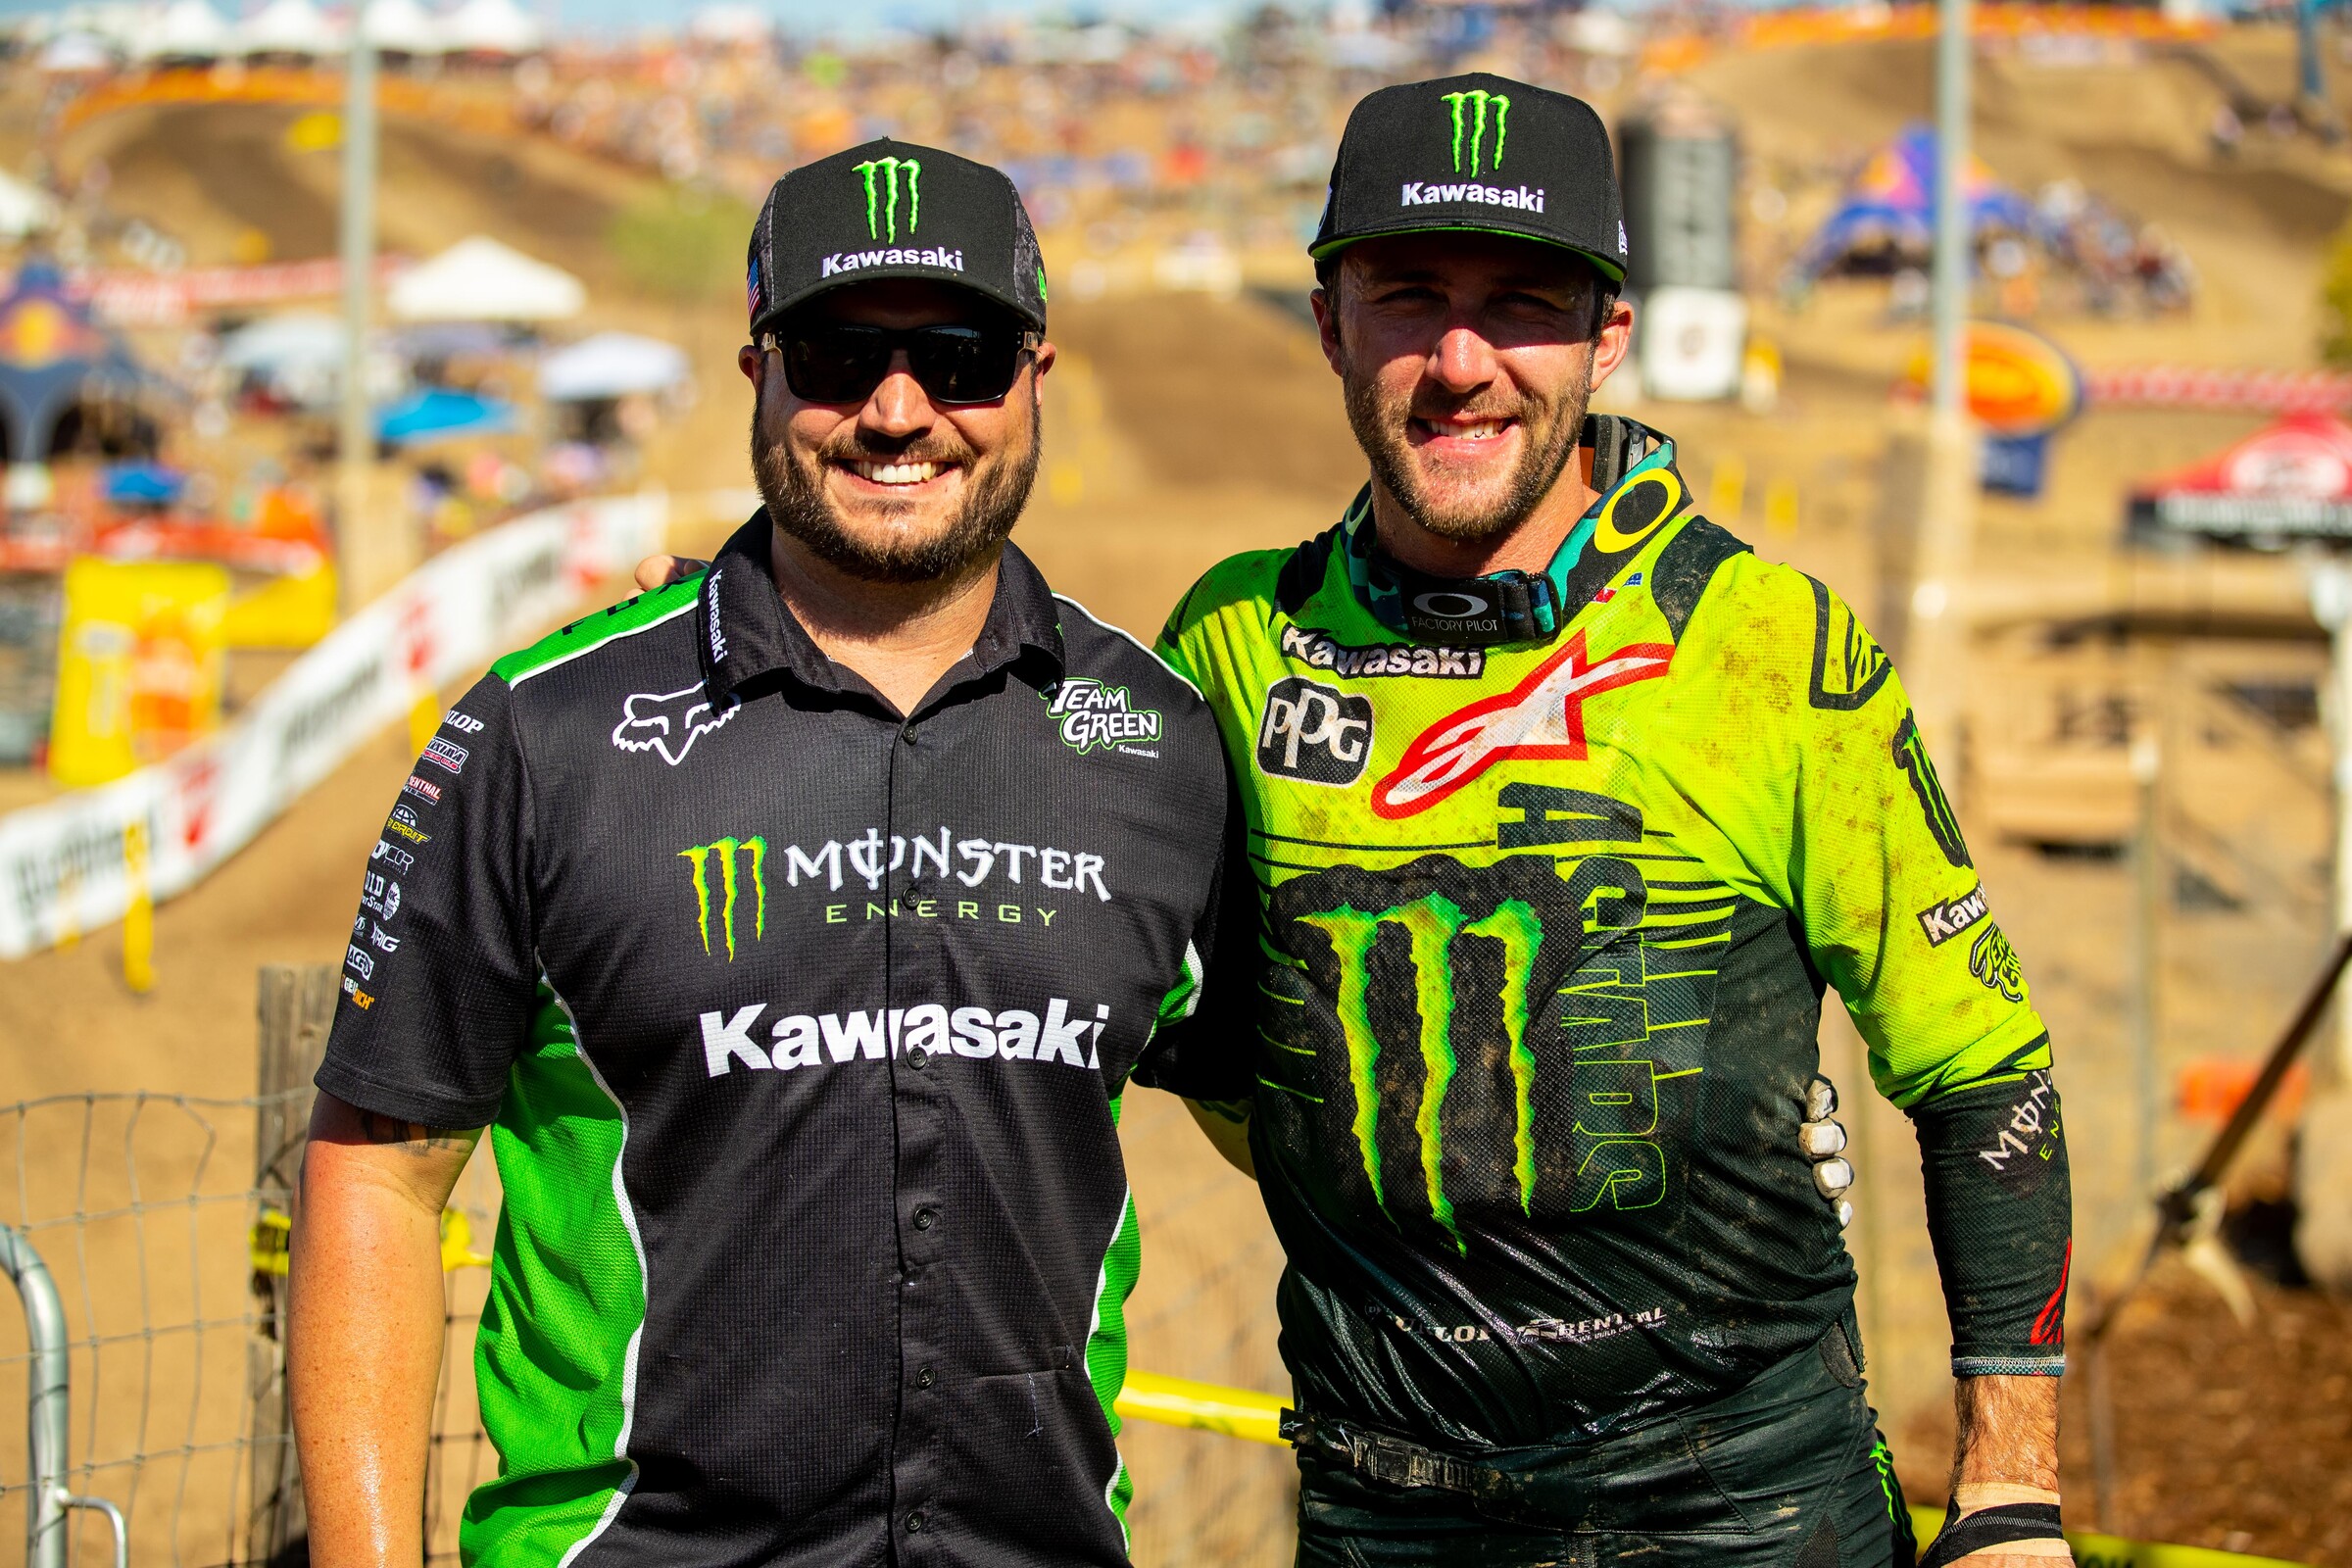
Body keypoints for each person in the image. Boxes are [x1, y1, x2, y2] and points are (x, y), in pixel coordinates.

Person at [1151, 76, 2076, 1568]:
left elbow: (1984, 1075)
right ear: (1328, 321)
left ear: (1608, 335)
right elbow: (1200, 1039)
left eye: (1520, 302)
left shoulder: (1774, 643)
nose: (1461, 363)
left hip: (1750, 1502)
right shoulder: (1230, 640)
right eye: (1407, 298)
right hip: (1386, 1505)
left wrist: (2011, 1496)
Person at [288, 139, 1239, 1568]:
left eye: (961, 355)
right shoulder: (541, 732)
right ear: (760, 378)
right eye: (840, 354)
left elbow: (1275, 1114)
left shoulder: (1161, 742)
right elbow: (375, 1173)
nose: (899, 410)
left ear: (1040, 374)